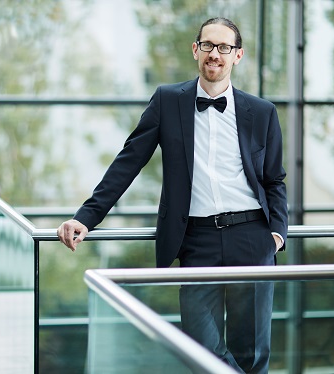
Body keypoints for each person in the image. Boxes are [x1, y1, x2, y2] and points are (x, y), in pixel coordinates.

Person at [57, 17, 287, 374]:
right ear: (196, 50)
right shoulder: (168, 100)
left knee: (252, 353)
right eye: (208, 45)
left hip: (252, 237)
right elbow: (128, 161)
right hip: (196, 240)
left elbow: (274, 180)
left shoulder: (262, 112)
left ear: (237, 56)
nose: (215, 54)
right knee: (199, 349)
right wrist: (86, 216)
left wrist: (277, 234)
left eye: (224, 47)